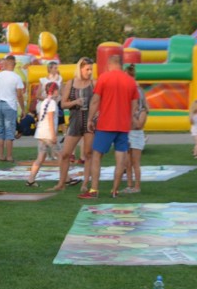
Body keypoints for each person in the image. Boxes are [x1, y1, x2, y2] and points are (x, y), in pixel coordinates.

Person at [80, 54, 140, 199]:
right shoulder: (131, 81)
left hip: (106, 124)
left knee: (96, 156)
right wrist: (129, 118)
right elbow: (135, 104)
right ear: (121, 64)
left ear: (109, 64)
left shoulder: (104, 78)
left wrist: (90, 119)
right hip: (123, 126)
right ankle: (115, 190)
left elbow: (95, 100)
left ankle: (94, 190)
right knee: (121, 159)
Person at [48, 57, 95, 192]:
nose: (90, 72)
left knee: (88, 153)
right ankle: (61, 183)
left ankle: (85, 183)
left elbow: (99, 102)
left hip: (89, 122)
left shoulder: (93, 83)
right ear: (80, 69)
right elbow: (63, 104)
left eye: (91, 69)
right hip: (75, 121)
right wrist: (75, 102)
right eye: (87, 69)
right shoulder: (71, 83)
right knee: (65, 154)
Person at [26, 82, 61, 188]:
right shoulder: (52, 103)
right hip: (47, 134)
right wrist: (53, 135)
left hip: (41, 133)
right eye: (57, 90)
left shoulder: (44, 101)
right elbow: (50, 119)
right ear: (54, 91)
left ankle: (31, 179)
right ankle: (66, 178)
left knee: (41, 157)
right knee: (61, 156)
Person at [0, 55, 25, 162]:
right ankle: (9, 156)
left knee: (0, 131)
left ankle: (1, 155)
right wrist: (23, 109)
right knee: (10, 132)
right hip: (10, 105)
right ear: (14, 64)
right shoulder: (16, 77)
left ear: (6, 64)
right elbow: (20, 95)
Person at [123, 64, 149, 194]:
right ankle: (129, 185)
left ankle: (137, 186)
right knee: (127, 162)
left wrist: (130, 114)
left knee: (135, 162)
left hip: (136, 135)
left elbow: (139, 125)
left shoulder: (142, 111)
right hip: (126, 133)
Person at [39, 61, 65, 133]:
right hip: (47, 104)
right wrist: (48, 99)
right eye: (55, 68)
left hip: (57, 103)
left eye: (57, 68)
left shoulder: (60, 79)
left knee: (59, 120)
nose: (57, 70)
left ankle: (62, 135)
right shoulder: (43, 80)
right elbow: (38, 95)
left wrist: (63, 99)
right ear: (49, 69)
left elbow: (63, 92)